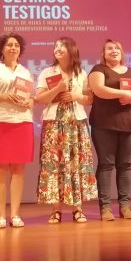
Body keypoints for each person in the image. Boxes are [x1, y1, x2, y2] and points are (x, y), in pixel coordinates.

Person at [35, 37, 97, 223]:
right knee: (54, 164)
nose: (58, 49)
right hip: (54, 125)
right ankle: (56, 210)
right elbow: (40, 98)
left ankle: (77, 208)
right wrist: (58, 89)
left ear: (71, 50)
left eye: (62, 46)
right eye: (56, 46)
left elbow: (89, 99)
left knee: (76, 163)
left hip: (76, 124)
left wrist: (76, 96)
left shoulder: (81, 73)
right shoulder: (47, 72)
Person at [88, 39, 131, 221]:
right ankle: (105, 208)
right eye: (109, 48)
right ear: (103, 53)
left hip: (129, 124)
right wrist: (123, 94)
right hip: (104, 124)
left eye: (117, 48)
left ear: (122, 52)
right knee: (106, 165)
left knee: (125, 165)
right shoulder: (98, 70)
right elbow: (99, 90)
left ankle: (125, 206)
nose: (113, 51)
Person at [0, 34, 34, 228]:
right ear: (1, 49)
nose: (13, 48)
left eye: (17, 45)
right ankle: (1, 215)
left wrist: (30, 101)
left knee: (19, 169)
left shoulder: (26, 72)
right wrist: (2, 96)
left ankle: (15, 214)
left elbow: (30, 97)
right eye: (9, 45)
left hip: (23, 122)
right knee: (0, 168)